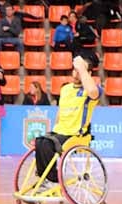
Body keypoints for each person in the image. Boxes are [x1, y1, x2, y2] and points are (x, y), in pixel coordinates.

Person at [34, 55, 101, 186]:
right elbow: (60, 112)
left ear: (89, 73)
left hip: (76, 134)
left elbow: (93, 91)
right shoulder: (65, 89)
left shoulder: (91, 90)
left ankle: (52, 180)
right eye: (74, 70)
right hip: (60, 131)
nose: (76, 73)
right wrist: (54, 129)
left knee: (47, 144)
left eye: (79, 71)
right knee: (40, 141)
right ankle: (45, 177)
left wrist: (82, 68)